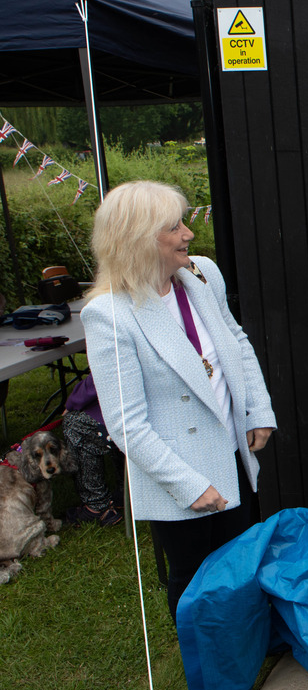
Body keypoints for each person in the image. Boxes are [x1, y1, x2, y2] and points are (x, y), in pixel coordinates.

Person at [81, 181, 276, 622]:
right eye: (174, 227)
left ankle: (249, 643)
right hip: (179, 472)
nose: (188, 233)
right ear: (139, 240)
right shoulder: (109, 314)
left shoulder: (202, 273)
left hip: (230, 452)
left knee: (241, 558)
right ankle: (206, 661)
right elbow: (126, 423)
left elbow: (235, 340)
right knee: (193, 574)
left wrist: (257, 408)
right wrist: (190, 487)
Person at [62, 374, 125, 527]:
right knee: (104, 412)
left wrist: (72, 402)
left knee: (74, 423)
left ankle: (96, 506)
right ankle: (126, 490)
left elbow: (100, 376)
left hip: (135, 420)